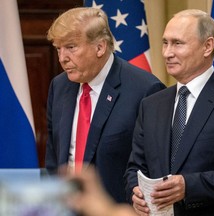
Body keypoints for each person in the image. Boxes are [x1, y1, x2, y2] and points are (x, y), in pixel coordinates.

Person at [124, 9, 214, 216]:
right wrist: (135, 192)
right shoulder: (151, 105)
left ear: (207, 46)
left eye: (177, 43)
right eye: (165, 43)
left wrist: (190, 187)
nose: (167, 53)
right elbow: (135, 167)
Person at [45, 7, 166, 203]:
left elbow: (152, 167)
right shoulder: (59, 86)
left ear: (100, 47)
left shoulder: (145, 90)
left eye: (71, 47)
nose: (62, 58)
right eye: (58, 49)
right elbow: (53, 156)